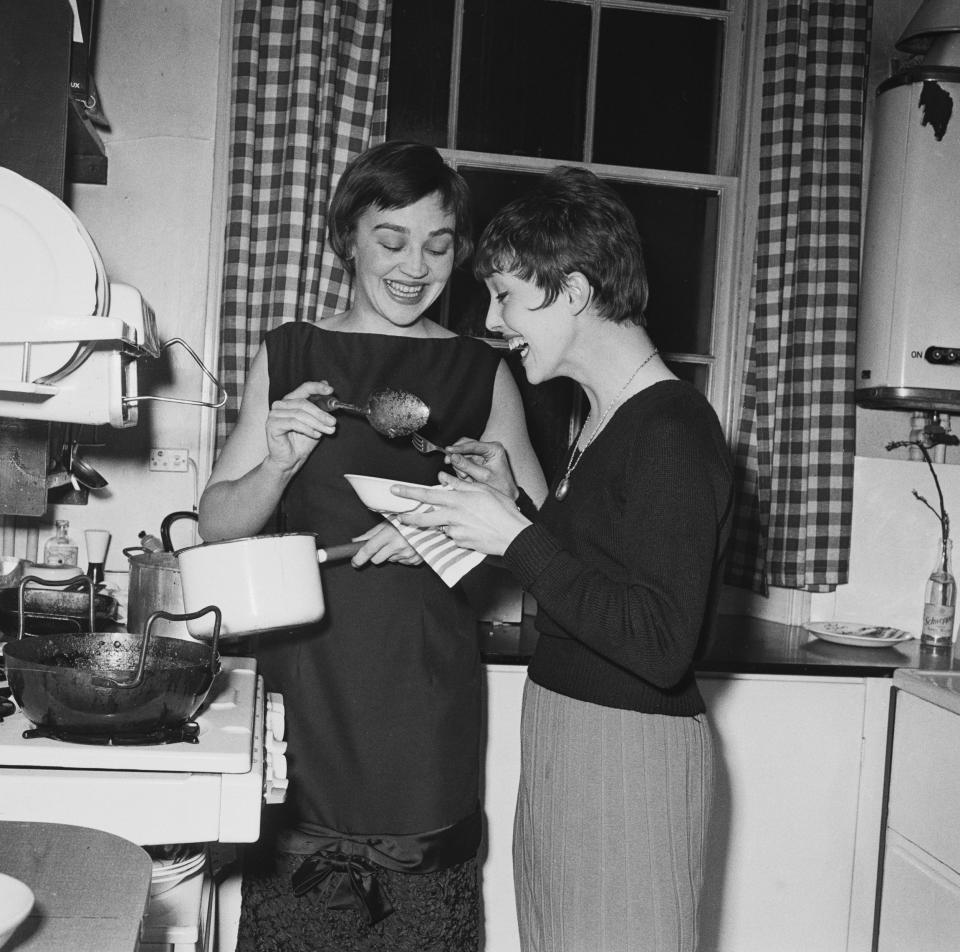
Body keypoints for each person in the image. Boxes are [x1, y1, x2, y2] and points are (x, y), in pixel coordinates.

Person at [198, 140, 546, 952]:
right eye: (391, 240)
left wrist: (445, 529)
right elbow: (217, 526)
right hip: (304, 683)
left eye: (438, 244)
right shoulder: (292, 353)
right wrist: (279, 465)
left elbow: (534, 541)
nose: (414, 266)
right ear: (346, 238)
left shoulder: (479, 371)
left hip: (424, 697)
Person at [394, 166, 734, 952]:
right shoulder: (606, 418)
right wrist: (516, 507)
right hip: (571, 739)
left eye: (507, 296)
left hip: (626, 760)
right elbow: (604, 574)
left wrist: (516, 538)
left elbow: (658, 641)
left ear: (573, 292)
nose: (493, 320)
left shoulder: (671, 431)